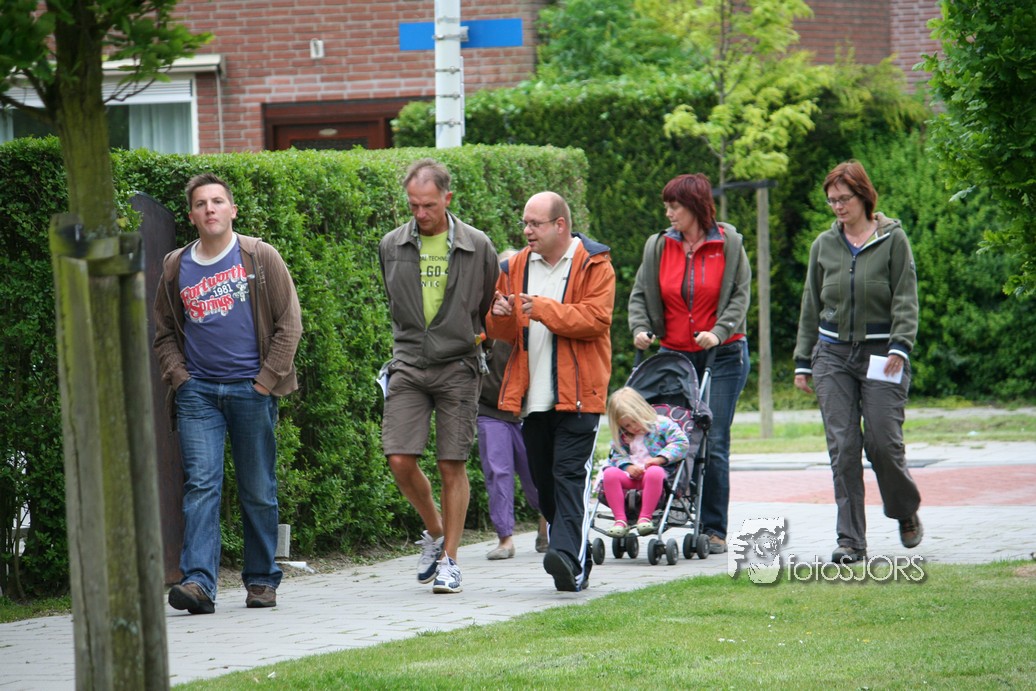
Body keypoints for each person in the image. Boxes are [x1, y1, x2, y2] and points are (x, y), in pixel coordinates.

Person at [153, 172, 303, 614]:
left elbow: (289, 323)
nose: (210, 209)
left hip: (251, 390)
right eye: (201, 204)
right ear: (191, 216)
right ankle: (199, 584)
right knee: (201, 486)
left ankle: (261, 580)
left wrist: (265, 381)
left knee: (258, 488)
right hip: (198, 393)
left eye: (217, 201)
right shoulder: (176, 266)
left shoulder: (259, 256)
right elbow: (164, 332)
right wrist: (180, 378)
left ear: (232, 209)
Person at [378, 158, 499, 593]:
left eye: (428, 205)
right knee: (398, 456)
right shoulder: (391, 245)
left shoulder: (477, 245)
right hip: (409, 362)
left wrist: (473, 341)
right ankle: (434, 531)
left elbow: (488, 304)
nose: (420, 213)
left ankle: (450, 560)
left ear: (447, 198)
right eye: (413, 205)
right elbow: (394, 300)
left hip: (459, 364)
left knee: (452, 463)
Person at [793, 159, 922, 564]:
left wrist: (900, 346)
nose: (838, 207)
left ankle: (904, 509)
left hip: (884, 353)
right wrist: (803, 360)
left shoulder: (893, 240)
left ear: (864, 196)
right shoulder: (823, 245)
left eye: (844, 199)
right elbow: (810, 304)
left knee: (883, 442)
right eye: (832, 200)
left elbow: (906, 297)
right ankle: (851, 541)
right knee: (843, 447)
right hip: (832, 355)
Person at [486, 191, 615, 592]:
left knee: (568, 476)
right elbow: (501, 331)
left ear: (560, 225)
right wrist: (499, 314)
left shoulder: (594, 263)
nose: (527, 230)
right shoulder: (514, 267)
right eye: (524, 223)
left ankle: (565, 558)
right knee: (544, 486)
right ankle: (577, 550)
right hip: (532, 399)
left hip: (580, 396)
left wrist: (540, 308)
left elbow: (595, 319)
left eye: (534, 224)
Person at [628, 172, 751, 555]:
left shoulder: (729, 243)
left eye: (675, 206)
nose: (668, 213)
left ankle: (713, 528)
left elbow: (740, 295)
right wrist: (640, 328)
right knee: (670, 435)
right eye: (667, 206)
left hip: (723, 354)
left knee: (713, 439)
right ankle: (666, 510)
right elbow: (640, 294)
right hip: (675, 357)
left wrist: (719, 330)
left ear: (696, 207)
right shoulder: (659, 246)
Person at [478, 285, 549, 559]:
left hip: (529, 412)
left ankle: (547, 523)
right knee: (498, 473)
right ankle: (505, 539)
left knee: (536, 476)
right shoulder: (485, 316)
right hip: (490, 410)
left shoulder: (535, 313)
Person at [600, 387, 690, 537]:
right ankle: (620, 520)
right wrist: (628, 466)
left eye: (635, 421)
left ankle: (644, 518)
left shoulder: (662, 425)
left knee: (654, 471)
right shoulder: (623, 435)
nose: (633, 428)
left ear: (643, 411)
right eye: (627, 425)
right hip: (630, 478)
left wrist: (660, 459)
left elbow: (681, 443)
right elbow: (616, 455)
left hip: (654, 479)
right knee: (610, 473)